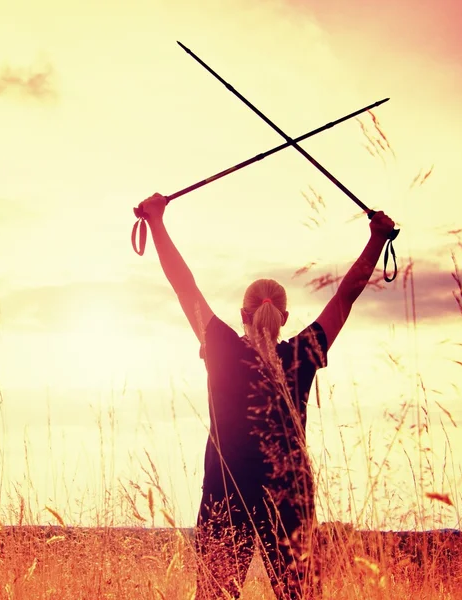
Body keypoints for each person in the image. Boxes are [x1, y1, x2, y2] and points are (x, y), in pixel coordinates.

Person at [136, 192, 395, 599]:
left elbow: (183, 285)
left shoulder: (221, 348)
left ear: (243, 314)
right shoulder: (301, 355)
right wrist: (377, 239)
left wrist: (156, 221)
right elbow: (346, 296)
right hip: (289, 495)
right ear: (284, 318)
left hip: (225, 492)